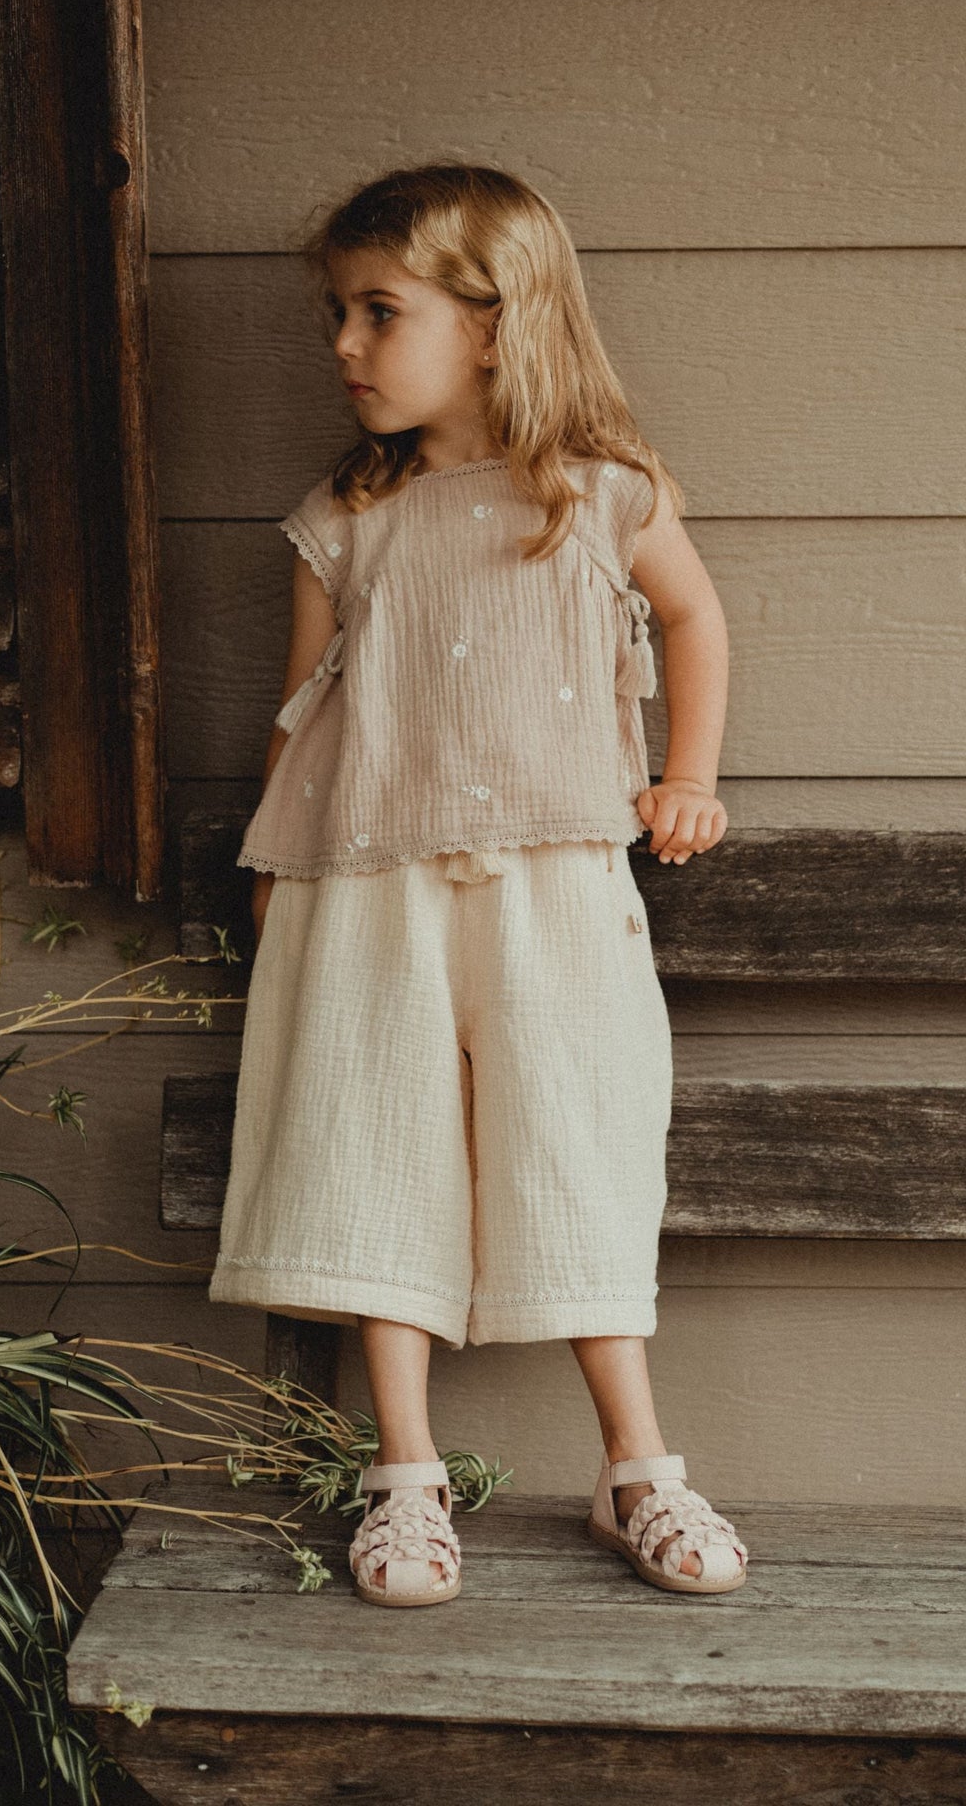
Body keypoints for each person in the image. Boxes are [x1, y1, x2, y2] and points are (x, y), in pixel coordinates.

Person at [208, 162, 748, 1607]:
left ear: (496, 322)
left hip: (557, 886)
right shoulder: (344, 517)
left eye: (378, 311)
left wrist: (686, 774)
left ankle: (635, 1464)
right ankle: (405, 1475)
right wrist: (279, 865)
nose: (342, 345)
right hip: (365, 888)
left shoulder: (597, 494)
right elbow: (304, 708)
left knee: (570, 1143)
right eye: (338, 313)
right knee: (383, 1151)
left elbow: (692, 618)